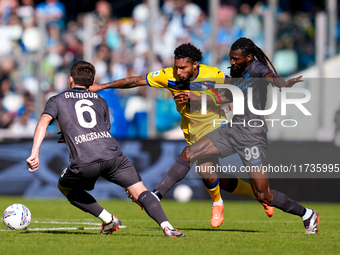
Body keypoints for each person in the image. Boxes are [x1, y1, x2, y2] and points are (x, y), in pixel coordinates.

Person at [89, 43, 274, 228]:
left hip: (216, 127)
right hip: (191, 130)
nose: (178, 71)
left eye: (182, 67)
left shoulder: (214, 74)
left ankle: (214, 203)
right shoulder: (167, 75)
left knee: (203, 165)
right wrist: (102, 86)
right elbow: (135, 81)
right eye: (176, 66)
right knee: (218, 179)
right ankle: (259, 195)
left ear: (195, 64)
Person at [169, 37, 320, 233]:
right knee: (189, 153)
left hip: (252, 135)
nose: (232, 62)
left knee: (263, 194)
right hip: (232, 130)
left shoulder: (256, 68)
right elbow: (225, 96)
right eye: (231, 58)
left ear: (249, 57)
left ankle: (307, 214)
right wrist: (198, 97)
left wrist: (281, 84)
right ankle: (156, 196)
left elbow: (270, 77)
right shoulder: (236, 71)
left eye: (236, 59)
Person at [26, 61, 185, 237]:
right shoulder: (101, 101)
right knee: (141, 191)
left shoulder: (57, 100)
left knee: (65, 188)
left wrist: (34, 153)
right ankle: (168, 227)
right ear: (91, 82)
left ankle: (109, 219)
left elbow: (43, 123)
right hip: (113, 156)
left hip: (86, 160)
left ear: (71, 79)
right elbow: (101, 129)